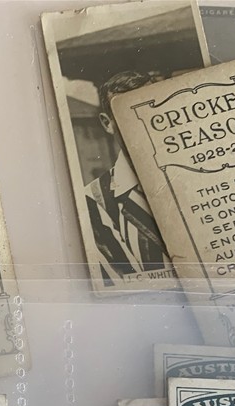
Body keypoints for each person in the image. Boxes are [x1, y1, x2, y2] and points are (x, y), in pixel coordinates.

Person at [84, 70, 170, 285]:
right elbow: (125, 287)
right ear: (107, 123)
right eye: (127, 115)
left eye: (148, 109)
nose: (141, 122)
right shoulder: (94, 201)